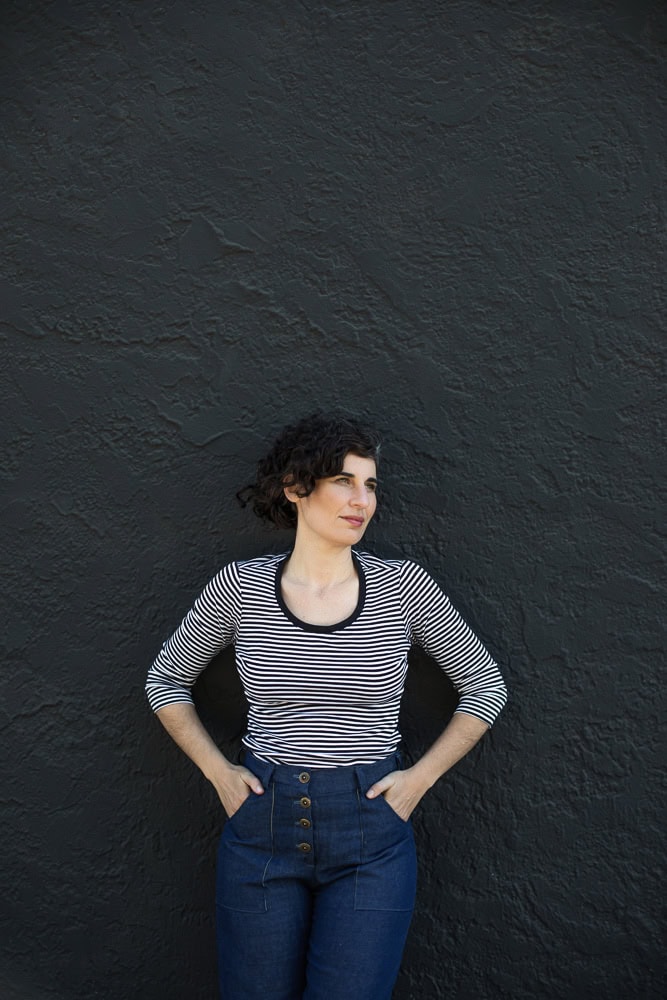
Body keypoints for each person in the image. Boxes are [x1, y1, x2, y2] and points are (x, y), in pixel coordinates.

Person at [146, 412, 507, 1000]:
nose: (360, 500)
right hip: (261, 827)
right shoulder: (242, 587)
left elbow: (485, 688)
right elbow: (165, 684)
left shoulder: (403, 587)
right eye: (343, 481)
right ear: (295, 488)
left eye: (370, 485)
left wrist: (417, 780)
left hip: (372, 835)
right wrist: (220, 773)